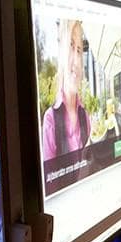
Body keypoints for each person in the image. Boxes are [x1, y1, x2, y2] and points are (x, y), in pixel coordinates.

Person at [41, 19, 90, 161]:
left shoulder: (85, 117)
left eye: (79, 50)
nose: (76, 60)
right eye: (71, 46)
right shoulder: (51, 120)